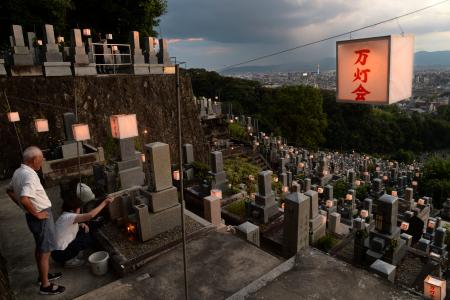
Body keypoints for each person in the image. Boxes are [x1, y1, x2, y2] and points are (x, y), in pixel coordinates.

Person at [6, 146, 65, 295]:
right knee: (45, 251)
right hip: (41, 216)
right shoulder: (30, 175)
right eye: (41, 158)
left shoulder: (19, 171)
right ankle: (45, 285)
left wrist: (23, 207)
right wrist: (36, 213)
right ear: (33, 160)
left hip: (34, 215)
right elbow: (25, 198)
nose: (42, 161)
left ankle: (42, 276)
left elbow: (9, 190)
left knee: (40, 247)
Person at [52, 180, 113, 267]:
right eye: (79, 207)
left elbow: (67, 229)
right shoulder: (70, 217)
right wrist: (105, 202)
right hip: (60, 254)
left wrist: (80, 224)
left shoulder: (65, 216)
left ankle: (72, 254)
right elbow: (90, 215)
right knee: (87, 238)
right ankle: (69, 260)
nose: (80, 210)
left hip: (56, 252)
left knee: (83, 229)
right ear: (75, 209)